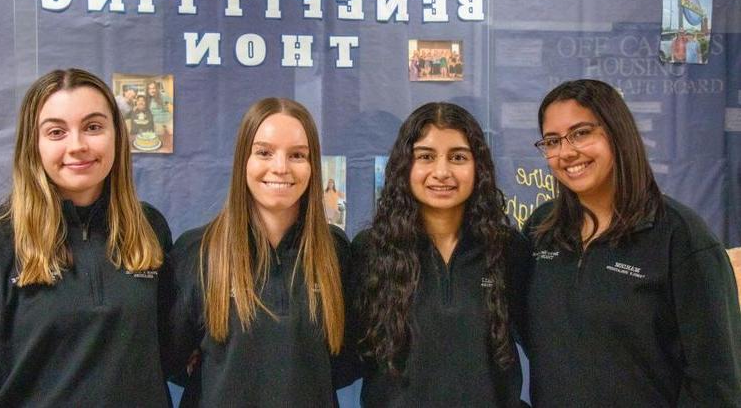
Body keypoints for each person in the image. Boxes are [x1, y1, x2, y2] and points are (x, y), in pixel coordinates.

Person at [522, 79, 741, 406]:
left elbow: (716, 379)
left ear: (616, 133)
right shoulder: (541, 229)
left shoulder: (680, 236)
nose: (566, 152)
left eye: (581, 133)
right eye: (552, 141)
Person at [0, 68, 173, 406]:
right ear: (34, 145)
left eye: (93, 127)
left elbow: (172, 351)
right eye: (56, 132)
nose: (77, 146)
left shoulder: (149, 229)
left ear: (117, 135)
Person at [164, 97, 354, 406]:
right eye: (264, 152)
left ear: (312, 165)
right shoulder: (197, 252)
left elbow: (345, 362)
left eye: (297, 155)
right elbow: (171, 360)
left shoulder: (336, 252)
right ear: (243, 161)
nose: (280, 168)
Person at [352, 102, 530, 406]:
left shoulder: (507, 249)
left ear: (479, 168)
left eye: (458, 157)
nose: (442, 172)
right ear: (404, 166)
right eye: (426, 156)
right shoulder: (370, 250)